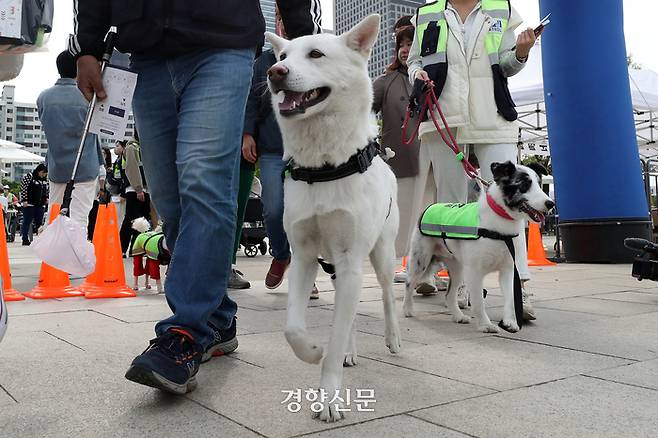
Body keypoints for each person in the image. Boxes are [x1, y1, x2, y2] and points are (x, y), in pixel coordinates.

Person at [71, 0, 321, 393]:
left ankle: (185, 332)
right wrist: (86, 47)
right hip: (145, 51)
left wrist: (304, 37)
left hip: (223, 39)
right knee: (169, 199)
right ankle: (217, 317)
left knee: (204, 179)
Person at [407, 0, 538, 319]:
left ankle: (518, 284)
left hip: (492, 117)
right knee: (450, 206)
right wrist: (417, 73)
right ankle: (460, 282)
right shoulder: (428, 13)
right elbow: (414, 61)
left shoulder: (502, 9)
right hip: (443, 118)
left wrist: (521, 52)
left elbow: (506, 65)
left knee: (513, 205)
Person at [242, 7, 319, 299]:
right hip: (273, 148)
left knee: (304, 212)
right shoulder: (262, 61)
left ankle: (305, 271)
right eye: (280, 19)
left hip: (306, 150)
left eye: (290, 18)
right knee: (274, 208)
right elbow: (251, 99)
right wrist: (247, 134)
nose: (284, 24)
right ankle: (281, 254)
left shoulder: (314, 58)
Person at [373, 23, 443, 296]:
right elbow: (365, 108)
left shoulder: (439, 77)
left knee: (429, 217)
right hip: (400, 161)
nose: (404, 49)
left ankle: (426, 272)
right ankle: (418, 270)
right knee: (403, 220)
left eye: (410, 43)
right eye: (401, 44)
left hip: (435, 158)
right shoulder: (386, 81)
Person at [37, 51, 104, 229]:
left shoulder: (43, 97)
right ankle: (76, 255)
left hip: (57, 165)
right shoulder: (88, 95)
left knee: (54, 213)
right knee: (80, 217)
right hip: (85, 164)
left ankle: (53, 255)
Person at [117, 137, 152, 256]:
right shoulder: (132, 148)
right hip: (135, 189)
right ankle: (121, 249)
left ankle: (136, 249)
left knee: (143, 219)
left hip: (143, 189)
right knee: (131, 219)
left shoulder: (140, 147)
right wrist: (138, 189)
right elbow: (132, 169)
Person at [19, 163, 48, 245]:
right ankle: (25, 239)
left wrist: (46, 198)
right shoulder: (29, 176)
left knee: (39, 223)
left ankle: (40, 240)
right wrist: (24, 199)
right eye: (42, 173)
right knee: (27, 222)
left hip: (40, 204)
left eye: (45, 173)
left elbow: (46, 189)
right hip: (29, 204)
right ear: (38, 171)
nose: (43, 175)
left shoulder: (44, 180)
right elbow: (23, 188)